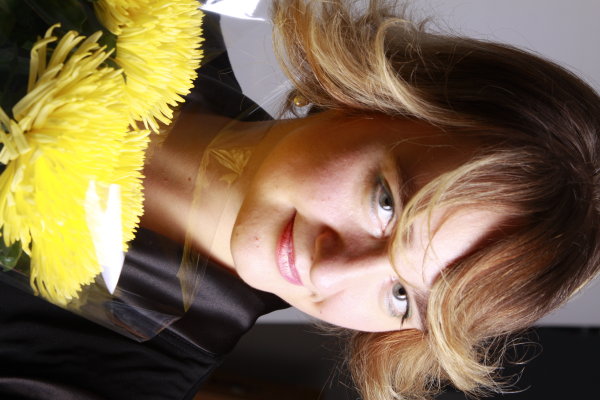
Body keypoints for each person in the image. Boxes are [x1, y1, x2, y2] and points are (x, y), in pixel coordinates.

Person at [1, 1, 599, 400]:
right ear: (379, 98)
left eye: (399, 298)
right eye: (386, 205)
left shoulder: (112, 378)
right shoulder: (159, 13)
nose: (333, 269)